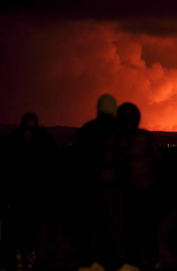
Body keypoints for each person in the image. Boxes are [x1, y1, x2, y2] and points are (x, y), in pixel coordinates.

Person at [71, 94, 122, 271]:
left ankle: (90, 260)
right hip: (115, 186)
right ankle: (114, 261)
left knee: (90, 224)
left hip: (89, 185)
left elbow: (77, 159)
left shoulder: (86, 130)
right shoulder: (120, 130)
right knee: (115, 224)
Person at [2, 112, 56, 270]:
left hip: (30, 199)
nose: (28, 133)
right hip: (19, 198)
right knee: (20, 232)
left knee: (29, 233)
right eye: (27, 128)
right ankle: (21, 260)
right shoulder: (15, 146)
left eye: (31, 129)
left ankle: (26, 259)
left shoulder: (36, 146)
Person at [114, 103, 162, 271]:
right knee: (148, 228)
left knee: (132, 229)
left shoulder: (118, 139)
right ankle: (152, 260)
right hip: (147, 190)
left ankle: (135, 261)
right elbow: (159, 159)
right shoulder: (146, 137)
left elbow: (115, 166)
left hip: (130, 192)